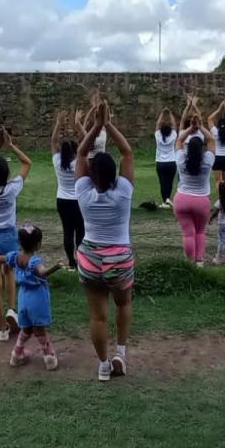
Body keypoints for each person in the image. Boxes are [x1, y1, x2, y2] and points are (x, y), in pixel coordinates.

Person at [75, 99, 136, 382]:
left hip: (89, 256)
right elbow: (127, 151)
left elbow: (80, 152)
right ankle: (120, 354)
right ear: (115, 174)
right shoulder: (123, 192)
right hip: (119, 257)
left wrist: (96, 126)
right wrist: (108, 124)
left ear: (91, 175)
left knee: (97, 316)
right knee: (123, 305)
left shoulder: (84, 193)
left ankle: (102, 365)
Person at [0, 224, 64, 370]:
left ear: (19, 242)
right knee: (39, 329)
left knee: (27, 328)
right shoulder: (35, 261)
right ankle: (49, 358)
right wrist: (56, 267)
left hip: (23, 298)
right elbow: (42, 273)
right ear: (38, 244)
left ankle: (16, 355)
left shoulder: (14, 257)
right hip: (37, 299)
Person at [0, 128, 33, 341]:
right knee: (10, 273)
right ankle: (12, 310)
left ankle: (2, 328)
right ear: (6, 175)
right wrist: (10, 145)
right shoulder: (11, 190)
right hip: (10, 236)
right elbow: (27, 163)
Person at [174, 106, 216, 266]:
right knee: (200, 231)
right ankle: (199, 263)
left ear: (188, 148)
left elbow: (179, 140)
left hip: (182, 200)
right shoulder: (207, 161)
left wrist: (191, 128)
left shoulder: (181, 160)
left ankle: (188, 262)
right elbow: (212, 140)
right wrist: (200, 127)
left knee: (188, 233)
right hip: (201, 201)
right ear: (202, 148)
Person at [51, 112, 84, 270]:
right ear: (75, 151)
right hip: (78, 201)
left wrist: (58, 123)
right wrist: (78, 124)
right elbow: (86, 141)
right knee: (80, 231)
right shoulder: (79, 163)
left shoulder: (57, 161)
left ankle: (71, 261)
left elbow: (53, 141)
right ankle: (81, 261)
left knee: (67, 231)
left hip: (62, 200)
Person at [154, 108, 178, 208]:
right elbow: (174, 126)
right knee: (169, 182)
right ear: (170, 130)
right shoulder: (173, 135)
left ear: (161, 130)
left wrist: (162, 114)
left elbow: (157, 125)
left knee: (162, 182)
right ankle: (167, 200)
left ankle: (165, 201)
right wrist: (170, 114)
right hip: (171, 162)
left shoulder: (158, 135)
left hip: (160, 163)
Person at [75, 90, 108, 159]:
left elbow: (82, 127)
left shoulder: (88, 138)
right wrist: (102, 107)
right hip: (101, 161)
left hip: (90, 162)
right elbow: (102, 122)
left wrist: (93, 108)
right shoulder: (103, 137)